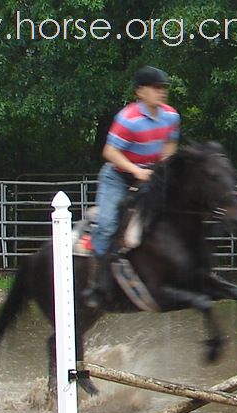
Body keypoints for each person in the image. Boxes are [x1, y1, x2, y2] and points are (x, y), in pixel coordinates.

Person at [83, 66, 180, 308]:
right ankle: (96, 282)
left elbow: (169, 146)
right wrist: (136, 171)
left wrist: (162, 168)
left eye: (163, 88)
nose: (161, 92)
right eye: (156, 88)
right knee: (107, 226)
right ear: (141, 92)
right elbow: (109, 152)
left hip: (150, 176)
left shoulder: (171, 116)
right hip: (118, 177)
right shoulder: (128, 119)